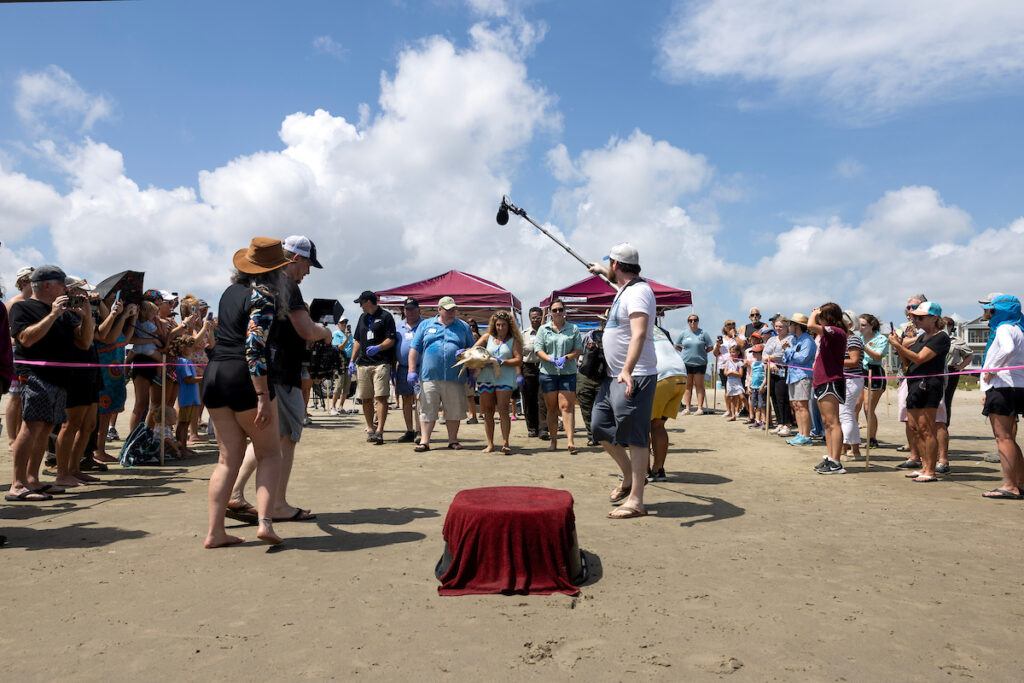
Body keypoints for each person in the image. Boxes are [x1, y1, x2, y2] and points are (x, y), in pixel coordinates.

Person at [229, 235, 332, 522]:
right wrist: (325, 334)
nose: (308, 272)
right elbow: (306, 331)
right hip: (281, 371)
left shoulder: (253, 283)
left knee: (266, 439)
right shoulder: (287, 284)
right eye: (308, 264)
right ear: (296, 259)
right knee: (285, 439)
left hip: (261, 369)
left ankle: (235, 493)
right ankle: (277, 504)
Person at [201, 237, 292, 548]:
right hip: (244, 376)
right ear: (275, 272)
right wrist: (262, 396)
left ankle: (215, 532)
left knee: (227, 459)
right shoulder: (264, 296)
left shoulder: (229, 292)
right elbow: (254, 348)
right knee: (270, 453)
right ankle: (265, 522)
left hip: (215, 374)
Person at [7, 266, 95, 503]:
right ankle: (17, 484)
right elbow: (25, 338)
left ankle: (32, 479)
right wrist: (53, 315)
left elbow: (85, 343)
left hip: (60, 377)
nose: (66, 289)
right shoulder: (22, 307)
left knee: (46, 429)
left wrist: (87, 316)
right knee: (31, 427)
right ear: (47, 285)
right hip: (35, 375)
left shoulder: (63, 313)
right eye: (61, 284)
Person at [588, 243, 658, 520]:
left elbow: (639, 334)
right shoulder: (626, 289)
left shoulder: (639, 292)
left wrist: (627, 370)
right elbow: (615, 279)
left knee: (636, 437)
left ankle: (637, 499)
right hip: (612, 376)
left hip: (635, 374)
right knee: (599, 427)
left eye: (611, 265)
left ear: (618, 265)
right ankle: (628, 475)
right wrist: (601, 271)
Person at [889, 301, 950, 483]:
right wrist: (899, 346)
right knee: (915, 427)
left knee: (927, 427)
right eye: (914, 317)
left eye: (920, 317)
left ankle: (930, 470)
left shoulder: (940, 337)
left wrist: (898, 346)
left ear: (934, 318)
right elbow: (908, 363)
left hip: (929, 384)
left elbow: (920, 358)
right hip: (914, 382)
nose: (915, 320)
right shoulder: (921, 337)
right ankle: (924, 466)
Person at [407, 296, 475, 451]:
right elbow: (414, 349)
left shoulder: (463, 326)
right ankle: (425, 441)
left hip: (455, 376)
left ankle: (453, 440)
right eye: (448, 309)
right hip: (429, 376)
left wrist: (472, 372)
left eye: (453, 309)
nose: (451, 312)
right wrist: (411, 371)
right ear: (439, 310)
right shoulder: (425, 325)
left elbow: (472, 350)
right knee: (427, 409)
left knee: (454, 410)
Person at [978, 295, 1024, 499]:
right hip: (1018, 386)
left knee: (1003, 438)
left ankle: (1010, 485)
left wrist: (991, 369)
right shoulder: (1020, 328)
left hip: (1004, 387)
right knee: (1010, 439)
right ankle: (1020, 481)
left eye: (991, 310)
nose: (987, 313)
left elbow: (1007, 348)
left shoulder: (1005, 328)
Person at [535, 299, 584, 454]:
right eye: (554, 310)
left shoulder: (573, 328)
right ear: (550, 312)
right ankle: (553, 440)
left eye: (560, 309)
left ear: (565, 311)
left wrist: (566, 358)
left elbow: (578, 349)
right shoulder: (543, 329)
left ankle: (570, 441)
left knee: (567, 407)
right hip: (548, 373)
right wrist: (551, 359)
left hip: (567, 372)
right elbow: (538, 349)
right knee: (551, 408)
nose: (557, 312)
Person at [350, 290, 397, 445]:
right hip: (363, 363)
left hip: (381, 362)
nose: (360, 307)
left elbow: (391, 339)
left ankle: (380, 431)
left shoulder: (386, 316)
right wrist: (352, 360)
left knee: (381, 397)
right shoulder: (362, 318)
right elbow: (357, 340)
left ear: (368, 302)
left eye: (361, 303)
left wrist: (379, 347)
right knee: (365, 398)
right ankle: (370, 428)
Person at [473, 310, 524, 454]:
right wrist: (467, 354)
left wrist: (503, 361)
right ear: (494, 325)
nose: (500, 328)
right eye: (498, 325)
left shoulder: (514, 340)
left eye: (503, 325)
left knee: (502, 409)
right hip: (486, 377)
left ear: (509, 326)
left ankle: (505, 442)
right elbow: (474, 350)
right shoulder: (486, 337)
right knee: (487, 411)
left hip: (505, 377)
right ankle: (490, 443)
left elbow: (519, 359)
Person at [95, 294, 137, 463]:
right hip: (104, 372)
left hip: (116, 372)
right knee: (102, 412)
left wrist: (131, 317)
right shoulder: (103, 323)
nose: (117, 302)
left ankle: (100, 448)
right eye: (112, 299)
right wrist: (122, 315)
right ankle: (97, 449)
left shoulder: (115, 323)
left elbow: (124, 339)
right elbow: (110, 337)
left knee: (108, 411)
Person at [807, 304, 848, 474]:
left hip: (831, 380)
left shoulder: (836, 331)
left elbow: (810, 326)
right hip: (822, 380)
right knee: (826, 422)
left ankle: (837, 461)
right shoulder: (828, 333)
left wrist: (814, 314)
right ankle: (831, 457)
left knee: (833, 421)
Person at [648, 324, 688, 481]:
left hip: (662, 376)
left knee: (643, 427)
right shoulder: (658, 329)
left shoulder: (632, 325)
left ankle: (643, 471)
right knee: (658, 425)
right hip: (680, 375)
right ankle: (658, 469)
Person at [936, 316, 973, 472]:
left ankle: (945, 427)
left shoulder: (956, 340)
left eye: (948, 325)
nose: (946, 327)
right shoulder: (935, 337)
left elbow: (969, 354)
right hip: (935, 370)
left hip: (951, 371)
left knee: (946, 402)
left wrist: (961, 367)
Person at [4, 266, 34, 448]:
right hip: (16, 354)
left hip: (29, 353)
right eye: (32, 280)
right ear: (23, 282)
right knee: (15, 396)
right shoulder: (14, 303)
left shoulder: (33, 302)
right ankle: (11, 438)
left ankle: (21, 436)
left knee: (25, 396)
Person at [782, 313, 816, 446]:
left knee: (802, 406)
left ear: (797, 326)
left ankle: (806, 436)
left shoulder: (808, 340)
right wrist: (789, 352)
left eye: (790, 324)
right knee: (795, 406)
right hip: (792, 375)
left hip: (803, 376)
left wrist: (788, 351)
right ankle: (800, 433)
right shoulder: (795, 340)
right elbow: (786, 359)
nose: (788, 326)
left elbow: (803, 358)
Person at [394, 298, 424, 443]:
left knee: (419, 400)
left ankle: (420, 431)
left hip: (420, 368)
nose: (410, 311)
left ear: (419, 310)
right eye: (407, 309)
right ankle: (409, 430)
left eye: (413, 309)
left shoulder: (424, 325)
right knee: (406, 399)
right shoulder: (399, 327)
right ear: (403, 310)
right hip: (403, 368)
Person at [857, 314, 888, 448]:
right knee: (856, 406)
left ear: (872, 326)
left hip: (874, 371)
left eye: (863, 325)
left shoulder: (881, 339)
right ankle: (853, 437)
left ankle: (872, 438)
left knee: (868, 408)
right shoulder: (859, 337)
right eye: (859, 325)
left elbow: (878, 356)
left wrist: (864, 347)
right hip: (860, 372)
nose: (860, 328)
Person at [576, 315, 606, 447]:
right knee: (586, 408)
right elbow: (580, 354)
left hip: (604, 377)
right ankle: (592, 436)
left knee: (603, 409)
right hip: (585, 376)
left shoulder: (618, 336)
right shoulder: (591, 335)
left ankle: (604, 436)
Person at [169, 334, 202, 458]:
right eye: (190, 346)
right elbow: (188, 379)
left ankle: (184, 447)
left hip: (192, 396)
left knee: (186, 423)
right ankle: (181, 449)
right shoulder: (182, 361)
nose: (192, 348)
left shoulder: (187, 361)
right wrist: (205, 377)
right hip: (186, 397)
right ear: (182, 347)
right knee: (182, 423)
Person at [839, 311, 865, 461]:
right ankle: (854, 450)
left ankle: (844, 449)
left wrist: (834, 362)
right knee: (848, 415)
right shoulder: (844, 339)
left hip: (851, 379)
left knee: (845, 415)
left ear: (849, 324)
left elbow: (854, 361)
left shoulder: (853, 339)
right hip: (847, 379)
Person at [676, 313, 714, 414]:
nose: (693, 322)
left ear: (698, 321)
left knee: (699, 385)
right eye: (690, 320)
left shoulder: (703, 333)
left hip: (700, 363)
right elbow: (676, 345)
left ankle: (700, 408)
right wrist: (683, 352)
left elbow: (710, 346)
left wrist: (703, 352)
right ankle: (687, 408)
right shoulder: (683, 333)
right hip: (686, 362)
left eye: (695, 320)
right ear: (688, 322)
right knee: (687, 386)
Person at [764, 316, 793, 435]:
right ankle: (780, 423)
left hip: (784, 370)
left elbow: (785, 355)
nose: (778, 328)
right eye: (776, 326)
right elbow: (764, 356)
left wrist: (771, 358)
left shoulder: (791, 338)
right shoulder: (771, 339)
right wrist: (770, 361)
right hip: (771, 370)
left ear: (787, 327)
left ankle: (787, 423)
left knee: (782, 397)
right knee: (774, 397)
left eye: (781, 326)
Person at [520, 306, 545, 439]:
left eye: (538, 317)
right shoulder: (524, 334)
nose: (536, 319)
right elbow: (519, 354)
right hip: (528, 368)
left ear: (542, 317)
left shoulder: (547, 332)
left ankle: (543, 428)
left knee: (542, 399)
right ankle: (532, 428)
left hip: (544, 367)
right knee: (529, 399)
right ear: (529, 318)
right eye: (533, 317)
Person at [329, 318, 354, 415]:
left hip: (349, 361)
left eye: (346, 322)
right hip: (340, 361)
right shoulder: (336, 334)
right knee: (338, 385)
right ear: (338, 324)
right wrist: (347, 338)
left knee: (347, 386)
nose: (344, 324)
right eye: (342, 322)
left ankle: (341, 406)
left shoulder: (349, 335)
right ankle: (333, 407)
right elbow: (339, 347)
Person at [712, 320, 741, 398]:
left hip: (736, 365)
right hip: (724, 366)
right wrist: (718, 345)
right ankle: (729, 410)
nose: (731, 326)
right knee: (727, 388)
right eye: (728, 324)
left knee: (738, 388)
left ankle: (736, 409)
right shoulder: (722, 339)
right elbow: (715, 354)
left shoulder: (738, 337)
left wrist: (734, 336)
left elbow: (742, 345)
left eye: (733, 324)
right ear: (724, 328)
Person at [722, 345, 744, 420]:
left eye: (733, 352)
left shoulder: (740, 362)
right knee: (732, 398)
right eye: (730, 352)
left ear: (738, 352)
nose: (732, 354)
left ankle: (749, 411)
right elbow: (725, 373)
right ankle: (733, 414)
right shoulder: (728, 362)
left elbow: (740, 374)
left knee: (742, 397)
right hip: (730, 382)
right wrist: (730, 372)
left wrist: (732, 372)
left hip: (737, 382)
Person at [748, 344, 767, 429]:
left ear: (760, 353)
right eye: (753, 352)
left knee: (762, 405)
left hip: (761, 387)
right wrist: (749, 386)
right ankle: (757, 420)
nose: (753, 354)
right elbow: (751, 375)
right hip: (753, 387)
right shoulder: (753, 363)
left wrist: (763, 385)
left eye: (755, 352)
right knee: (755, 405)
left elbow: (766, 375)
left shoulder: (764, 363)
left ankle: (764, 421)